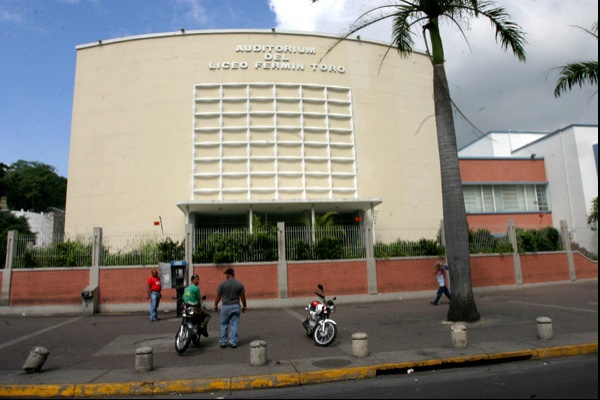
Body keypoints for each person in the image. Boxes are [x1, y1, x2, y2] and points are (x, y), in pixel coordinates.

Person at [213, 268, 247, 349]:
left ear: (228, 275)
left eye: (226, 274)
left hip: (225, 307)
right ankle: (233, 342)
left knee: (224, 324)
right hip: (236, 306)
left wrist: (215, 305)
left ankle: (223, 342)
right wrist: (244, 306)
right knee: (234, 324)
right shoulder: (239, 284)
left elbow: (218, 296)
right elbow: (243, 296)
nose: (226, 276)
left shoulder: (223, 284)